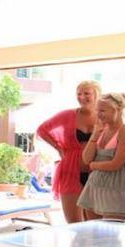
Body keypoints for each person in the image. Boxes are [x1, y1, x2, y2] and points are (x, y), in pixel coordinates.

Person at [36, 80, 101, 222]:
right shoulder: (67, 115)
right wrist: (58, 147)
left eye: (87, 93)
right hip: (70, 171)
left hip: (97, 172)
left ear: (97, 94)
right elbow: (42, 130)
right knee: (73, 222)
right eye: (79, 94)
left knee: (96, 224)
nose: (82, 97)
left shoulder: (103, 116)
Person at [78, 93, 125, 220]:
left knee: (111, 231)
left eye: (103, 110)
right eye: (97, 110)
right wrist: (94, 136)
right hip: (94, 187)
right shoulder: (101, 130)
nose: (98, 114)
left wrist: (94, 165)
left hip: (114, 191)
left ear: (118, 110)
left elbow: (115, 165)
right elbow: (86, 159)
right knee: (91, 230)